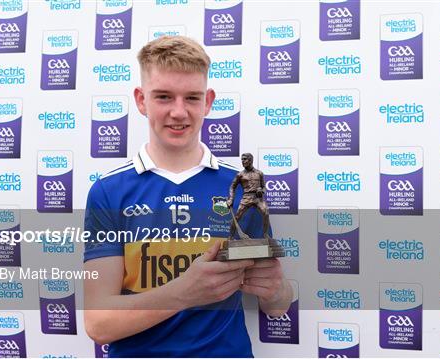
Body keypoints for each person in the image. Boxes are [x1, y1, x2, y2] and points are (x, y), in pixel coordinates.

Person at [83, 36, 292, 357]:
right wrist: (183, 293)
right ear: (141, 100)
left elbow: (276, 306)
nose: (178, 112)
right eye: (164, 96)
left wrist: (276, 291)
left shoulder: (240, 187)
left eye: (192, 98)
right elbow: (99, 324)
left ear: (208, 101)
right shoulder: (109, 191)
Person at [227, 153, 271, 241]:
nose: (242, 161)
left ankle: (266, 235)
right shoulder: (240, 175)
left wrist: (261, 190)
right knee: (237, 217)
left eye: (244, 159)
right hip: (246, 197)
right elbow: (232, 187)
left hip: (258, 198)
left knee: (265, 212)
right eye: (242, 159)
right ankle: (230, 237)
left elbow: (264, 187)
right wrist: (231, 199)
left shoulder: (259, 173)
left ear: (250, 160)